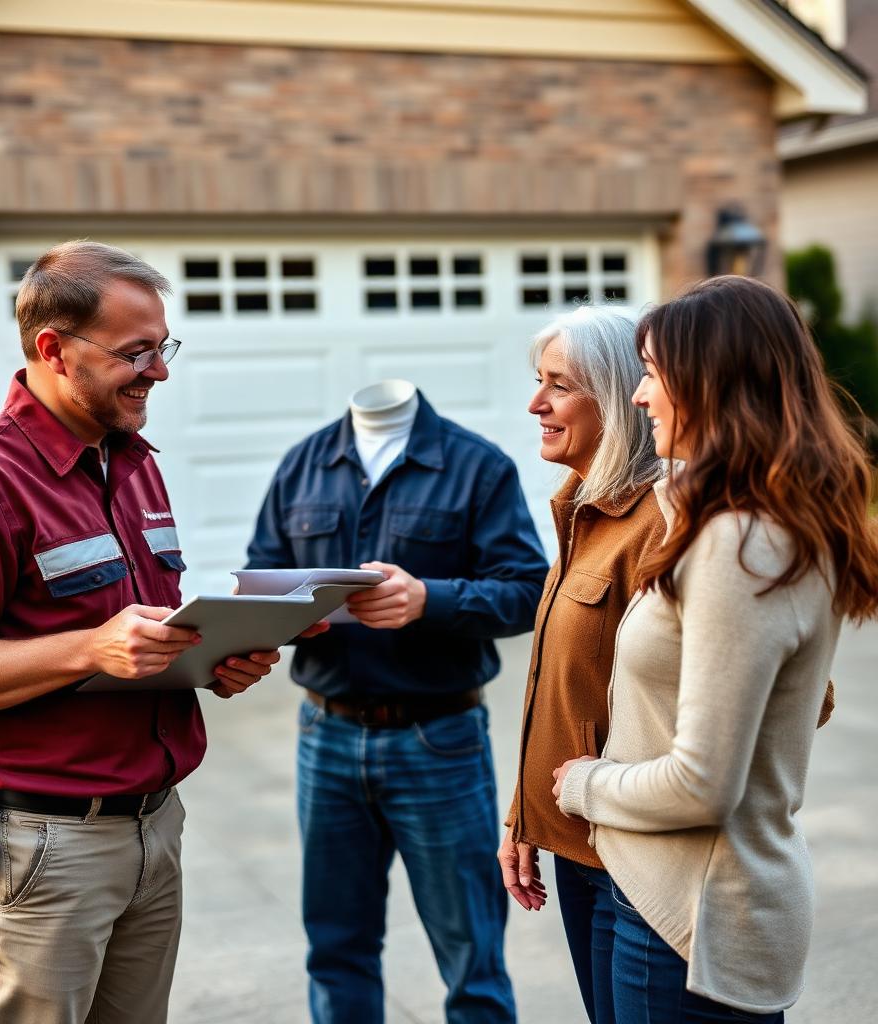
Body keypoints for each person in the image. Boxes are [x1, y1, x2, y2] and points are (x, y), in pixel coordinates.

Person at [0, 240, 292, 1024]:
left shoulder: (135, 463)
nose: (160, 372)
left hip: (154, 827)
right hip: (39, 847)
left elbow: (134, 636)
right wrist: (89, 646)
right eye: (137, 353)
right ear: (53, 350)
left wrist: (207, 661)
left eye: (163, 348)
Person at [550, 275, 878, 1021]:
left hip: (690, 918)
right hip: (660, 890)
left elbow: (703, 784)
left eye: (655, 376)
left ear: (712, 384)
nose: (638, 397)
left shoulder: (743, 542)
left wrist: (583, 784)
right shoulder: (735, 517)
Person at [245, 378, 548, 1024]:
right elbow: (260, 574)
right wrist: (276, 619)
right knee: (336, 948)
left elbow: (527, 591)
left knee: (472, 956)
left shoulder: (478, 466)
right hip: (324, 739)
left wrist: (428, 600)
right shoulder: (303, 463)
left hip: (439, 741)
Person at [496, 305, 665, 1024]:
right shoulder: (580, 511)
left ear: (620, 393)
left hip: (638, 855)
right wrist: (522, 815)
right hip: (574, 844)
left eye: (558, 386)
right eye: (540, 382)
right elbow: (562, 687)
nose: (536, 404)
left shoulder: (662, 523)